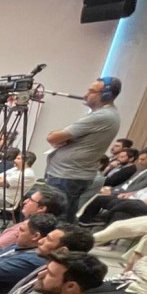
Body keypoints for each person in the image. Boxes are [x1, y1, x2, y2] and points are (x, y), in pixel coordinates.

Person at [45, 77, 123, 219]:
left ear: (106, 95)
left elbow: (53, 138)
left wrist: (56, 136)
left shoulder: (102, 116)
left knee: (54, 220)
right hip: (68, 176)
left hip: (68, 177)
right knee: (62, 218)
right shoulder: (106, 114)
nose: (86, 94)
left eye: (91, 91)